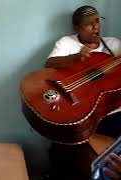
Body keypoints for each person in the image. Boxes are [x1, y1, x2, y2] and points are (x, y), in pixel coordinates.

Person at [43, 5, 121, 180]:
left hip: (110, 112)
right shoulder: (67, 42)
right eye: (88, 24)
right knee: (63, 138)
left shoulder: (114, 44)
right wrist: (76, 58)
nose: (96, 27)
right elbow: (49, 64)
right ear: (76, 28)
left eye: (97, 22)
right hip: (79, 109)